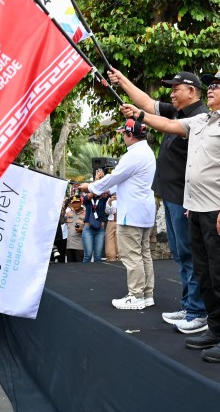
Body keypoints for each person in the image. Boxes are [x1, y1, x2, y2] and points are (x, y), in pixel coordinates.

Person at [121, 68, 220, 363]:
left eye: (217, 86)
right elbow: (168, 124)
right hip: (197, 211)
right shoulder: (201, 120)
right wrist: (139, 116)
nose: (211, 90)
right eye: (210, 86)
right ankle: (216, 329)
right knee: (205, 275)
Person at [108, 68, 209, 334]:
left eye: (176, 88)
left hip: (186, 198)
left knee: (190, 255)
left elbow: (156, 119)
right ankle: (189, 306)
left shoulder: (200, 116)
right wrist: (123, 81)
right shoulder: (178, 110)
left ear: (192, 91)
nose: (172, 93)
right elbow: (146, 101)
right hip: (171, 195)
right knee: (180, 254)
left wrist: (140, 116)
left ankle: (198, 311)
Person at [78, 119, 157, 310]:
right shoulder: (146, 152)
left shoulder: (133, 155)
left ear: (130, 135)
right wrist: (106, 190)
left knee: (132, 255)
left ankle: (136, 295)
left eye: (123, 133)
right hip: (144, 211)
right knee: (144, 254)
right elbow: (122, 181)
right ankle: (146, 294)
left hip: (131, 212)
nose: (122, 136)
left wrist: (91, 186)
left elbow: (114, 177)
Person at [81, 170, 109, 263]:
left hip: (99, 230)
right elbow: (87, 197)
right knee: (87, 255)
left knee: (98, 257)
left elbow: (107, 191)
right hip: (88, 229)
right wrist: (96, 180)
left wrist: (103, 180)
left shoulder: (103, 198)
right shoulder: (88, 198)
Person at [64, 197, 85, 263]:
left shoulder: (86, 214)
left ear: (81, 203)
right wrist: (63, 208)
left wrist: (82, 230)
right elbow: (61, 221)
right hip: (69, 246)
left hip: (80, 246)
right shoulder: (68, 213)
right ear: (71, 204)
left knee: (80, 268)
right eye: (73, 203)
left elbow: (90, 229)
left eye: (77, 202)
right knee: (70, 268)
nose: (75, 204)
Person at [104, 195, 119, 262]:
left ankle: (120, 259)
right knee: (109, 242)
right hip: (111, 221)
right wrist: (110, 201)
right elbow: (107, 211)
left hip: (121, 223)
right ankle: (111, 259)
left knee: (120, 243)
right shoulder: (110, 200)